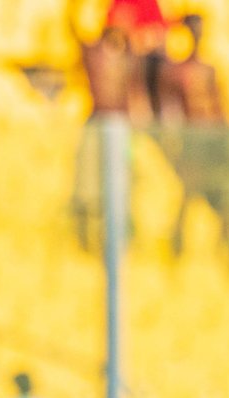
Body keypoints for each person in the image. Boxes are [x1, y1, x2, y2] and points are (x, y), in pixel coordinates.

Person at [158, 13, 229, 268]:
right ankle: (175, 256)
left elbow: (220, 108)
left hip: (212, 146)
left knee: (225, 203)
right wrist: (173, 144)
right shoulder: (174, 71)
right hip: (192, 146)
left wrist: (228, 142)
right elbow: (169, 112)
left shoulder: (208, 70)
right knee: (185, 200)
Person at [69, 8, 139, 252]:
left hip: (122, 127)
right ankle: (86, 237)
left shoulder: (128, 57)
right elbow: (73, 29)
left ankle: (121, 235)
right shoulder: (95, 53)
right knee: (90, 185)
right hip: (98, 124)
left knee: (124, 180)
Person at [103, 0, 167, 121]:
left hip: (146, 58)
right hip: (123, 55)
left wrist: (138, 39)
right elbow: (111, 31)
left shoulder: (149, 3)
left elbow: (159, 32)